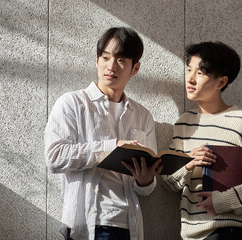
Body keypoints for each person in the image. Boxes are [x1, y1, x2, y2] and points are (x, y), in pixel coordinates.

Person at [44, 27, 162, 240]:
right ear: (97, 61)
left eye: (120, 60)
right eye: (105, 57)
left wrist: (145, 180)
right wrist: (111, 146)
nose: (111, 66)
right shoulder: (72, 103)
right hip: (87, 224)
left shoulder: (143, 116)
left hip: (128, 225)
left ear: (135, 68)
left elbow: (145, 190)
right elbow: (54, 157)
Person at [163, 42, 242, 240]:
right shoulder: (183, 123)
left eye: (200, 73)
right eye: (189, 70)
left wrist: (222, 201)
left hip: (226, 233)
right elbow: (168, 182)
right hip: (189, 235)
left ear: (221, 82)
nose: (190, 79)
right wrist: (188, 164)